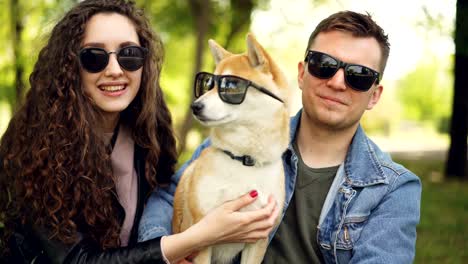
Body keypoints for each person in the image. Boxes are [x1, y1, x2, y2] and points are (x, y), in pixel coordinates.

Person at [0, 0, 278, 263]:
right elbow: (78, 260)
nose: (114, 69)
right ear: (70, 65)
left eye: (129, 55)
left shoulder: (149, 134)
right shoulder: (34, 146)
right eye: (94, 57)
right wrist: (198, 237)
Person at [141, 10, 421, 264]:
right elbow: (166, 198)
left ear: (374, 95)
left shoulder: (394, 189)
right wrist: (169, 253)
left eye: (359, 75)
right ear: (301, 73)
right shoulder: (231, 142)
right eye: (324, 64)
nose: (336, 82)